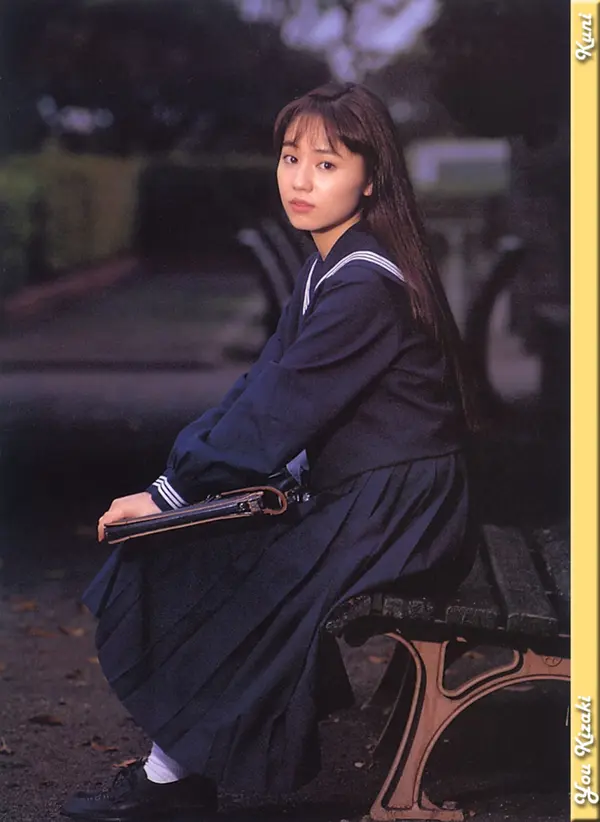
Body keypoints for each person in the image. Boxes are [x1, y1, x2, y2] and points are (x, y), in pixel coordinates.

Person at [62, 82, 477, 821]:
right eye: (291, 158)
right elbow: (260, 387)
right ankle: (174, 775)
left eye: (327, 163)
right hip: (371, 491)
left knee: (225, 566)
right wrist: (173, 486)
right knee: (190, 549)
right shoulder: (330, 265)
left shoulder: (364, 284)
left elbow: (276, 414)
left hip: (398, 507)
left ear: (371, 179)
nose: (300, 180)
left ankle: (170, 782)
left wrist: (169, 497)